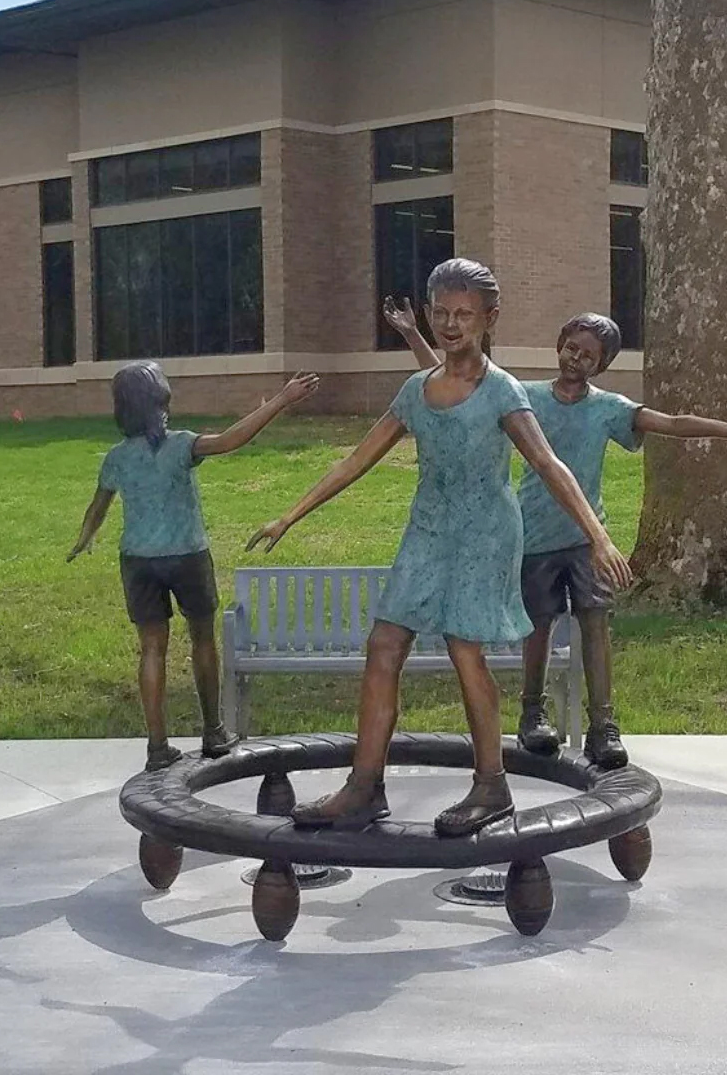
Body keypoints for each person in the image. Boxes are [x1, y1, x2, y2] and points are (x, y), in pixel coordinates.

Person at [247, 260, 632, 837]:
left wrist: (598, 537)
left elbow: (549, 466)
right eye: (442, 314)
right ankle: (363, 786)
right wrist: (290, 515)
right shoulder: (416, 390)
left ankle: (491, 785)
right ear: (429, 314)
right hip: (427, 530)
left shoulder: (501, 391)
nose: (452, 325)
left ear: (489, 319)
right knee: (383, 644)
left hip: (485, 533)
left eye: (465, 315)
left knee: (463, 648)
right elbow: (357, 459)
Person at [384, 301, 727, 768]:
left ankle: (603, 725)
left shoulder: (609, 409)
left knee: (596, 625)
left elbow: (669, 423)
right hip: (533, 539)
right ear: (559, 348)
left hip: (588, 542)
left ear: (601, 364)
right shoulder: (523, 395)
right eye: (571, 348)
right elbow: (450, 382)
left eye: (588, 356)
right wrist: (412, 333)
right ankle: (533, 713)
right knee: (539, 627)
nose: (576, 359)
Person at [68, 360, 320, 772]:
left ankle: (156, 747)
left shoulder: (116, 458)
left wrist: (85, 538)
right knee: (203, 639)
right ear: (159, 403)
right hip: (187, 555)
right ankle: (214, 732)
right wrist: (282, 400)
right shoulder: (183, 444)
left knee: (151, 648)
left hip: (137, 561)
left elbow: (98, 507)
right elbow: (231, 440)